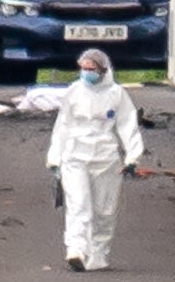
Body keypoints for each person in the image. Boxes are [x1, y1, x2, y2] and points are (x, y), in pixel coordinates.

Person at [43, 46, 142, 268]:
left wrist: (132, 157)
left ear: (103, 70)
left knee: (104, 211)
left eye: (91, 69)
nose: (87, 73)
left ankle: (98, 252)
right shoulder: (74, 92)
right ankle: (76, 249)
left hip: (107, 160)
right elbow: (63, 126)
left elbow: (128, 126)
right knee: (78, 205)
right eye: (83, 68)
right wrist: (55, 157)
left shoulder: (117, 95)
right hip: (75, 156)